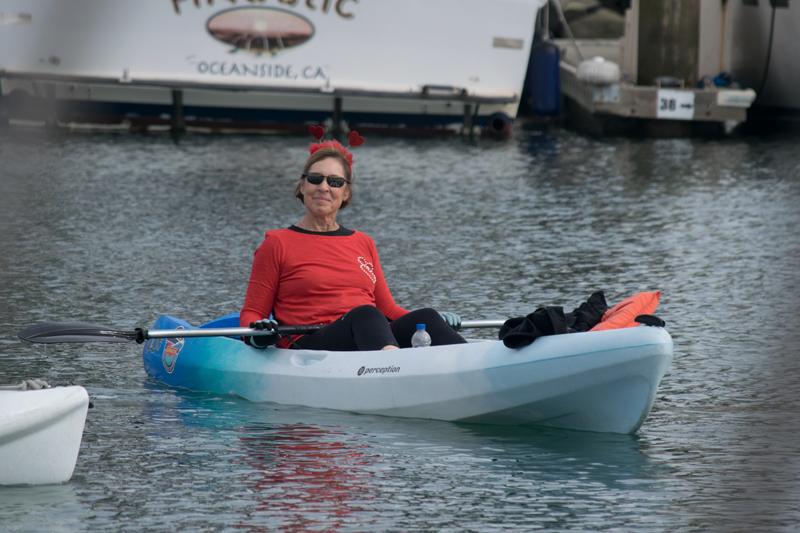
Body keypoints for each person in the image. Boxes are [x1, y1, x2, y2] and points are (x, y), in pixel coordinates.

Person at [240, 135, 466, 351]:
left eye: (335, 181)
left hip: (367, 332)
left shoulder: (363, 242)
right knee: (366, 314)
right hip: (309, 343)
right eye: (315, 179)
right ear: (302, 186)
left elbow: (388, 309)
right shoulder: (277, 243)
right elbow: (252, 311)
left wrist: (436, 322)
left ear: (346, 192)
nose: (324, 187)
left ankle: (475, 363)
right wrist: (257, 335)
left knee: (426, 316)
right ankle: (393, 366)